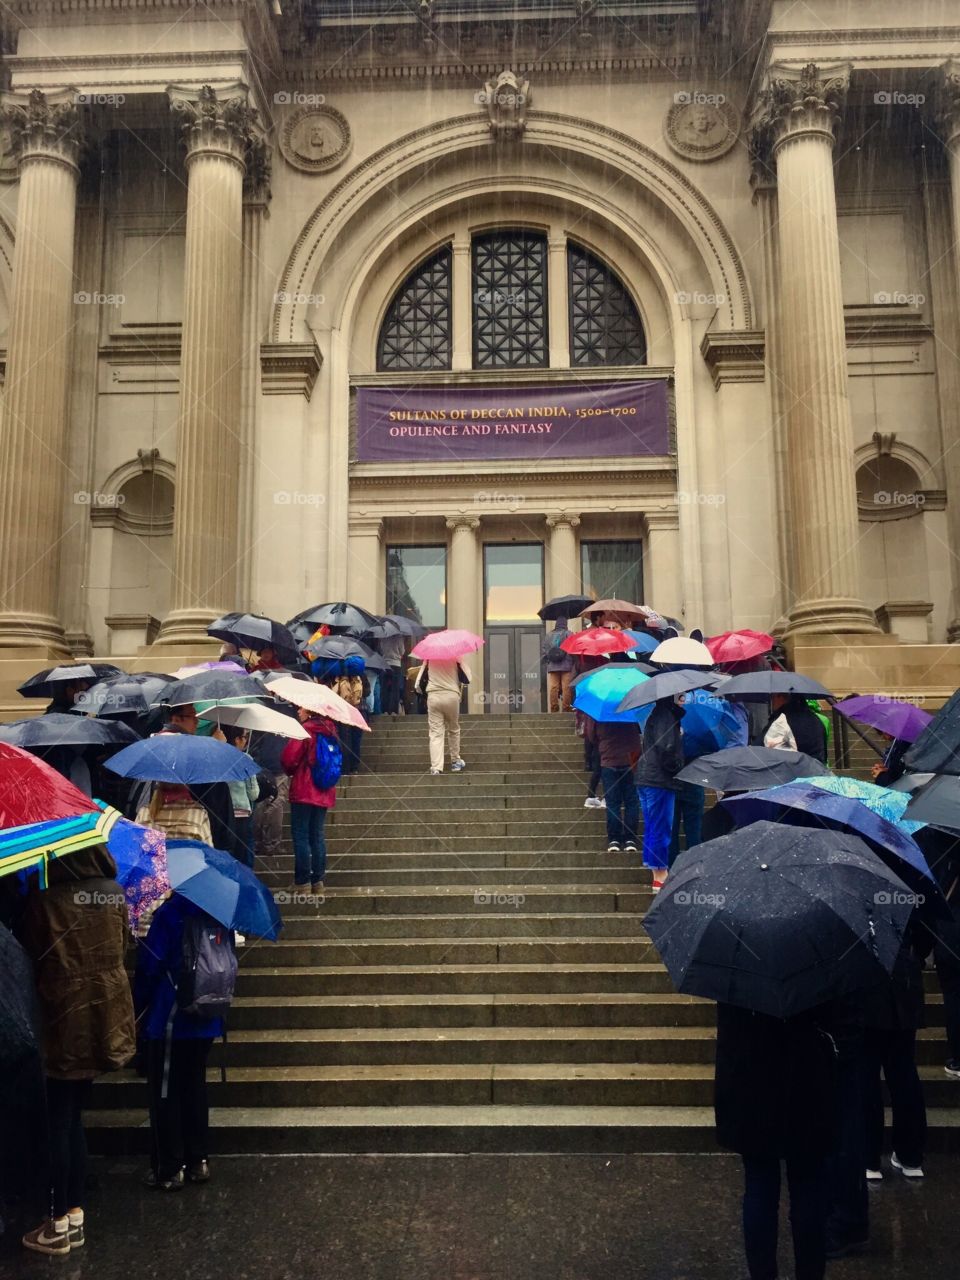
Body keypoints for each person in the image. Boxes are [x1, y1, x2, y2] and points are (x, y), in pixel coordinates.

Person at [17, 847, 136, 1254]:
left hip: (61, 1022)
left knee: (58, 1120)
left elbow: (31, 956)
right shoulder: (113, 894)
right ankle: (75, 1212)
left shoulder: (47, 901)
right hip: (103, 1019)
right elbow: (124, 948)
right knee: (74, 1115)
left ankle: (57, 1224)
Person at [715, 1001, 840, 1280]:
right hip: (807, 1072)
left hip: (750, 1073)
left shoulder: (735, 961)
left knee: (759, 1183)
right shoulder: (817, 958)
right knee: (808, 1183)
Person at [133, 893, 228, 1191]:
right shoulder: (218, 911)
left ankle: (170, 1167)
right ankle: (198, 1160)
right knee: (195, 1086)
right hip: (207, 1017)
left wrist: (137, 1006)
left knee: (165, 1091)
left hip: (170, 1018)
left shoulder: (171, 913)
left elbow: (150, 966)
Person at [280, 706, 339, 893]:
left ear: (311, 711)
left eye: (302, 708)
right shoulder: (332, 731)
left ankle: (302, 881)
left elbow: (289, 759)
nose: (298, 711)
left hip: (304, 790)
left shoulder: (305, 730)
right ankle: (318, 881)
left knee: (301, 835)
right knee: (317, 835)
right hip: (324, 790)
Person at [636, 694, 685, 890]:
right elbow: (667, 748)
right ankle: (660, 873)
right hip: (659, 779)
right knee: (660, 826)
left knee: (652, 825)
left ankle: (655, 868)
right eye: (681, 695)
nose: (684, 698)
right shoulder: (666, 716)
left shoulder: (657, 714)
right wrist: (678, 765)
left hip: (648, 776)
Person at [583, 716, 640, 854]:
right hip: (631, 759)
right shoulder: (632, 707)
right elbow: (640, 729)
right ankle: (630, 838)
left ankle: (614, 839)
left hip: (609, 759)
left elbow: (591, 736)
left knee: (613, 802)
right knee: (631, 801)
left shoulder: (599, 711)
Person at [415, 657, 470, 775]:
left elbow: (418, 684)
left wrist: (424, 693)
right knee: (454, 729)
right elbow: (467, 677)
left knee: (435, 733)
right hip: (452, 695)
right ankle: (455, 761)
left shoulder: (429, 658)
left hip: (434, 696)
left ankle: (436, 767)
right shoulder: (456, 657)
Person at [220, 726, 259, 868]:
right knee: (244, 852)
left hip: (223, 814)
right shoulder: (246, 759)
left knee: (228, 852)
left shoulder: (217, 758)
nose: (246, 741)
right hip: (242, 813)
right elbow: (254, 794)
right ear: (237, 740)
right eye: (244, 737)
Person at [763, 693, 828, 763]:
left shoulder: (780, 720)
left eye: (773, 697)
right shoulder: (816, 719)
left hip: (791, 769)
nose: (772, 701)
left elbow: (760, 746)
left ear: (780, 697)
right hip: (816, 769)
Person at [542, 616, 575, 712]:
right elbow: (572, 649)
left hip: (553, 665)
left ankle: (554, 708)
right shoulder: (569, 634)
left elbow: (544, 650)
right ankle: (566, 707)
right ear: (565, 624)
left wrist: (549, 660)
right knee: (566, 687)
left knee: (554, 687)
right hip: (567, 665)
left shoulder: (548, 635)